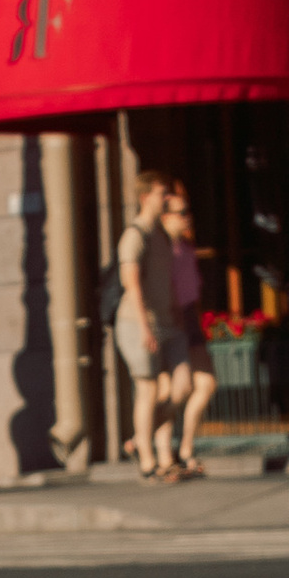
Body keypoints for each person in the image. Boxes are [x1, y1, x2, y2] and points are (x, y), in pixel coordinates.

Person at [114, 167, 191, 481]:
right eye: (163, 193)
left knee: (182, 386)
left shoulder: (160, 234)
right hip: (137, 323)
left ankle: (139, 439)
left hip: (168, 322)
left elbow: (168, 280)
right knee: (148, 388)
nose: (167, 198)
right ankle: (151, 459)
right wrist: (145, 328)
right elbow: (131, 284)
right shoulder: (135, 235)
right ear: (146, 197)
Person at [164, 184, 219, 475]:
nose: (188, 217)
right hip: (171, 320)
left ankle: (185, 448)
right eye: (181, 212)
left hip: (189, 318)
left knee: (206, 384)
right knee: (176, 389)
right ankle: (148, 438)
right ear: (165, 217)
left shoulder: (185, 247)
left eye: (188, 211)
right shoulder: (161, 251)